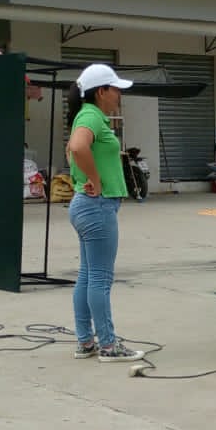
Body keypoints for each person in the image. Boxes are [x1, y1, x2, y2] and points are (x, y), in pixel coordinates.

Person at [66, 63, 143, 362]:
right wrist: (95, 180)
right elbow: (77, 147)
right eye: (115, 90)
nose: (119, 95)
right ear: (101, 92)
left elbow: (73, 149)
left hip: (86, 205)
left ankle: (86, 341)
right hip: (97, 205)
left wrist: (86, 178)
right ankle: (109, 346)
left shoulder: (88, 116)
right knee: (99, 278)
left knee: (88, 276)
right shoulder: (91, 116)